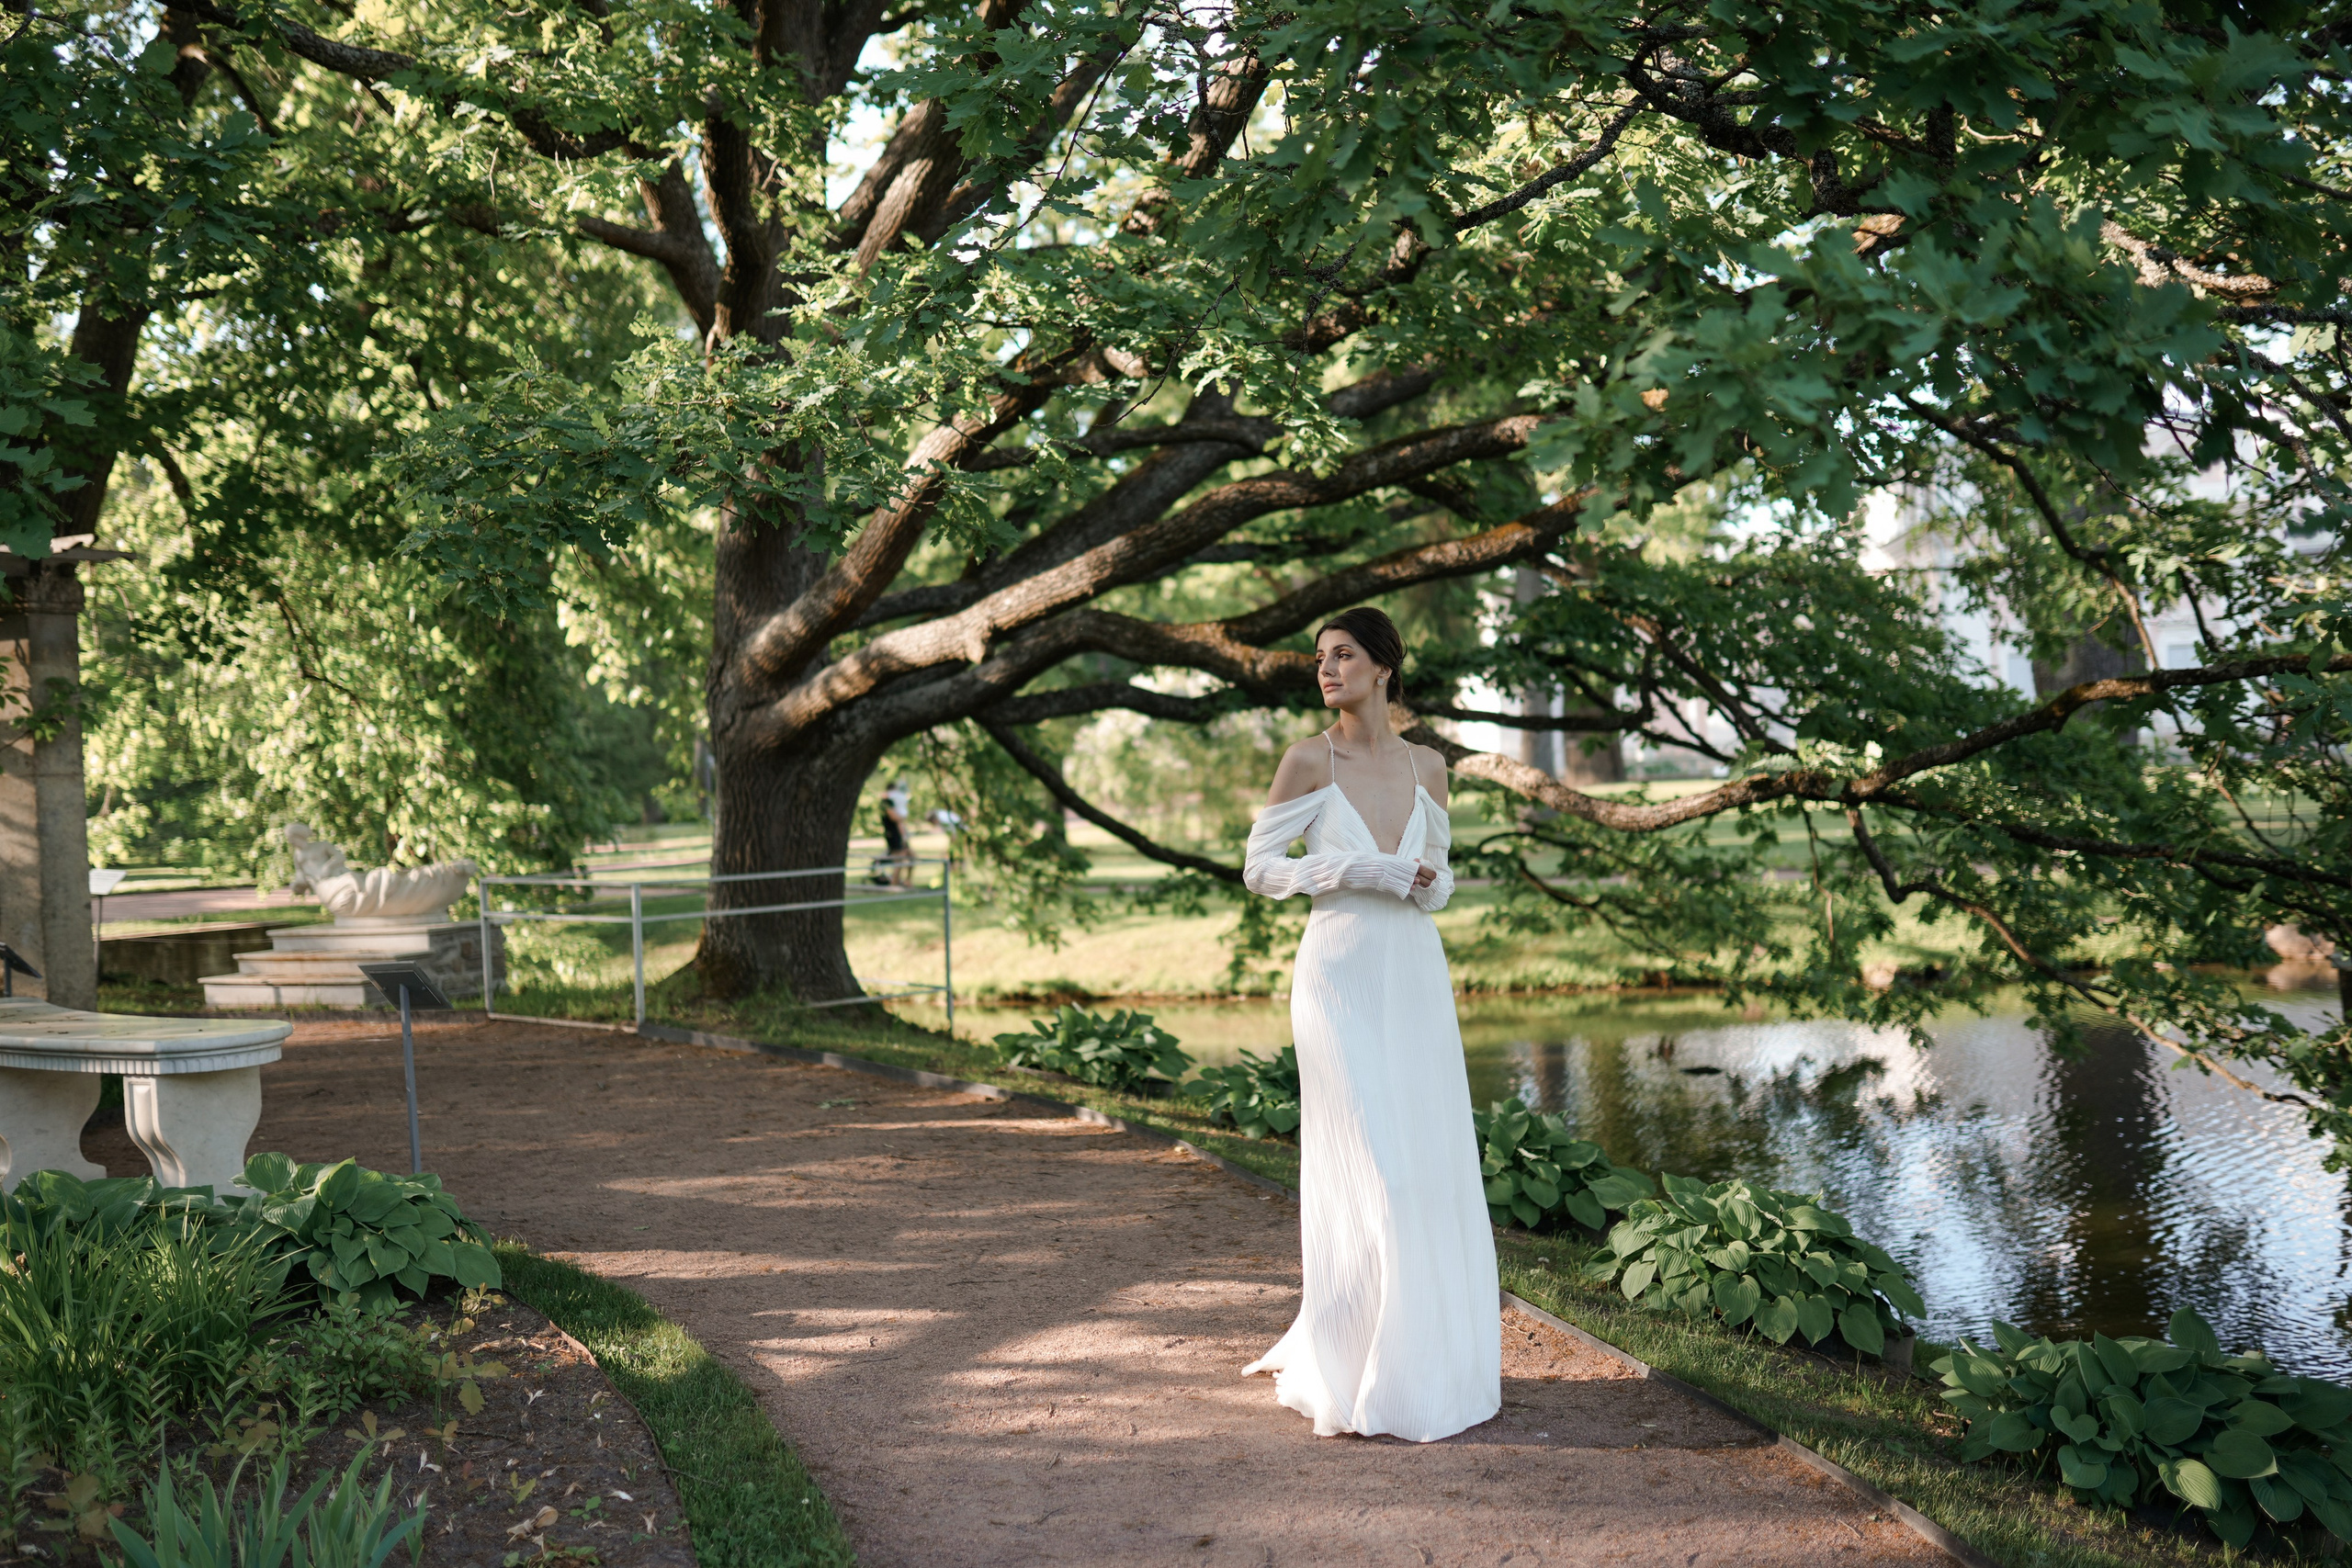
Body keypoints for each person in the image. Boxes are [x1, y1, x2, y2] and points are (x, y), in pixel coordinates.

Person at [1238, 605, 1500, 1442]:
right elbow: (1260, 870)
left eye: (1343, 655)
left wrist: (1422, 880)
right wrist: (1356, 866)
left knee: (1425, 1171)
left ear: (1385, 666)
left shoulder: (1429, 764)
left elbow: (1443, 882)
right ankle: (1354, 1365)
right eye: (1319, 657)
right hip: (1339, 976)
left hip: (1415, 977)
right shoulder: (1308, 758)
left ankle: (1424, 1365)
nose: (1326, 668)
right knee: (1372, 1171)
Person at [878, 780, 915, 887]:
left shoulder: (893, 802)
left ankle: (906, 880)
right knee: (898, 859)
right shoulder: (886, 802)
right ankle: (894, 882)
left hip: (900, 834)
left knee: (911, 856)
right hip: (893, 834)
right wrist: (903, 816)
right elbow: (894, 817)